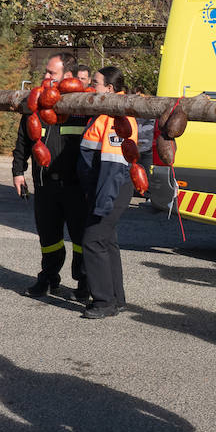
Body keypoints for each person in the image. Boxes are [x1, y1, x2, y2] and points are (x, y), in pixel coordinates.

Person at [12, 52, 89, 301]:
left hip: (76, 186)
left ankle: (84, 282)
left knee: (80, 238)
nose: (45, 76)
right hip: (45, 184)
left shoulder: (83, 106)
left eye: (50, 73)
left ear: (68, 77)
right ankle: (48, 278)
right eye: (45, 72)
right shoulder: (35, 102)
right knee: (48, 237)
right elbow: (23, 139)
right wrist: (18, 171)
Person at [77, 67, 135, 318]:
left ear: (109, 89)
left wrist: (102, 202)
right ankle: (116, 299)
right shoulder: (106, 113)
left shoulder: (115, 118)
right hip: (105, 188)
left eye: (97, 84)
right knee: (107, 241)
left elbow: (113, 167)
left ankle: (103, 302)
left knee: (93, 240)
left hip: (111, 188)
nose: (92, 87)